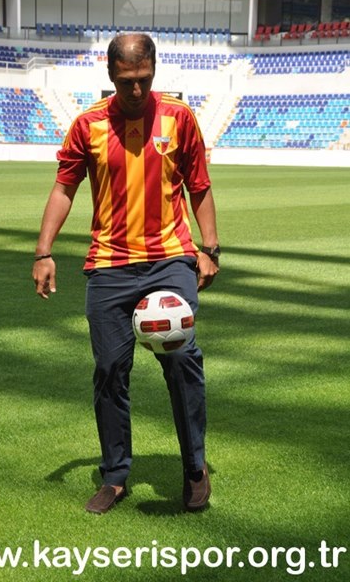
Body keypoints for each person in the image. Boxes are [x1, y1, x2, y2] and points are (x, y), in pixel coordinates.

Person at [32, 33, 220, 514]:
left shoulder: (179, 117)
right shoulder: (88, 124)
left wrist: (210, 248)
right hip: (109, 263)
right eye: (126, 81)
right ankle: (115, 476)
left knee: (181, 360)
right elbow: (64, 188)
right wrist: (43, 252)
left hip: (170, 258)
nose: (136, 90)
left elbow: (198, 185)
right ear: (110, 74)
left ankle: (194, 467)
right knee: (110, 370)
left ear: (154, 70)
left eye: (144, 79)